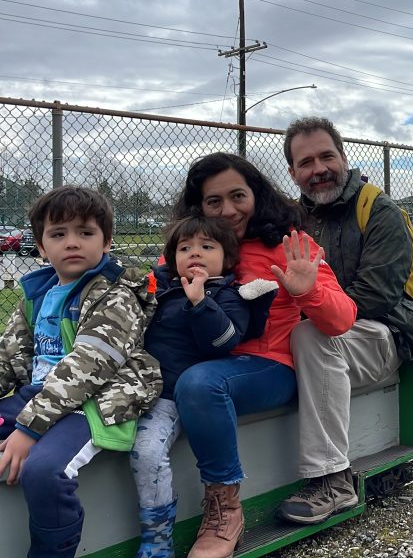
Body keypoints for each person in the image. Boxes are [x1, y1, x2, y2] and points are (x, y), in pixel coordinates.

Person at [170, 152, 357, 557]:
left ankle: (224, 511)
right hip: (200, 361)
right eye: (213, 201)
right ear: (198, 206)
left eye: (238, 195)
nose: (228, 210)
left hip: (269, 365)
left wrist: (307, 289)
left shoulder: (289, 245)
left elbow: (342, 318)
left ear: (256, 194)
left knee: (200, 384)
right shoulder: (188, 248)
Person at [277, 116, 413, 525]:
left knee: (312, 334)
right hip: (324, 332)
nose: (318, 169)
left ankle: (333, 480)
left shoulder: (379, 210)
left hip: (385, 333)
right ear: (292, 173)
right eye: (306, 163)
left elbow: (375, 297)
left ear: (343, 157)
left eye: (327, 156)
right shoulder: (290, 220)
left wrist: (311, 303)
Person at [0, 186, 160, 558]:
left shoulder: (115, 295)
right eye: (58, 234)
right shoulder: (37, 294)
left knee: (42, 470)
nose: (72, 242)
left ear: (106, 243)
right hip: (44, 397)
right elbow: (7, 356)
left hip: (96, 404)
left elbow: (87, 368)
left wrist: (27, 429)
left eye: (85, 232)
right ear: (40, 246)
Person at [130, 215, 277, 558]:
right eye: (185, 248)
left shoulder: (228, 295)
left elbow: (222, 342)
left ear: (226, 259)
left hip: (173, 398)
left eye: (206, 247)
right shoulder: (160, 288)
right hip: (138, 389)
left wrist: (200, 303)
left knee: (147, 452)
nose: (194, 253)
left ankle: (157, 541)